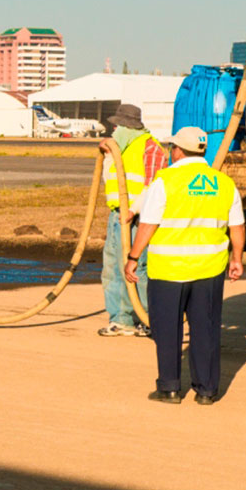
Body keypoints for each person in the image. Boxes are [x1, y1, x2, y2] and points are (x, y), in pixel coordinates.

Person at [124, 126, 245, 405]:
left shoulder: (166, 181)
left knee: (168, 329)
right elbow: (237, 225)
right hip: (209, 270)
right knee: (206, 329)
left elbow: (149, 223)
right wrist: (236, 259)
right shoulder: (224, 183)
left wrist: (133, 258)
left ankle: (169, 388)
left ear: (177, 150)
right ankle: (206, 391)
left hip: (169, 270)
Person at [97, 104, 167, 336]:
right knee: (113, 269)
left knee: (137, 268)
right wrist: (107, 152)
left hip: (138, 218)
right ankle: (120, 318)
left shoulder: (151, 148)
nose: (114, 130)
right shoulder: (122, 147)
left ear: (129, 126)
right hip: (117, 216)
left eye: (118, 125)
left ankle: (145, 318)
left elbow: (154, 185)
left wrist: (134, 210)